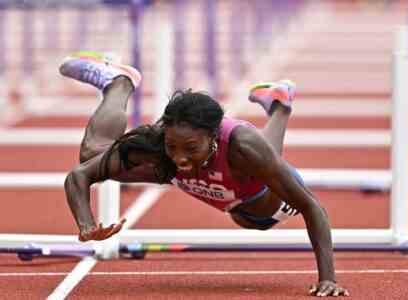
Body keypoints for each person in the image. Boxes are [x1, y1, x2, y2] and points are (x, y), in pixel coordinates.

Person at [60, 51, 349, 297]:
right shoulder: (161, 145)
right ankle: (118, 82)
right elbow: (79, 175)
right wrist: (85, 224)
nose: (180, 157)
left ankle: (279, 106)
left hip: (258, 203)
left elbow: (312, 206)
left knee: (256, 201)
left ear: (212, 138)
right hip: (217, 179)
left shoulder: (242, 147)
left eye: (190, 148)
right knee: (92, 156)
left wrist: (328, 279)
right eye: (172, 145)